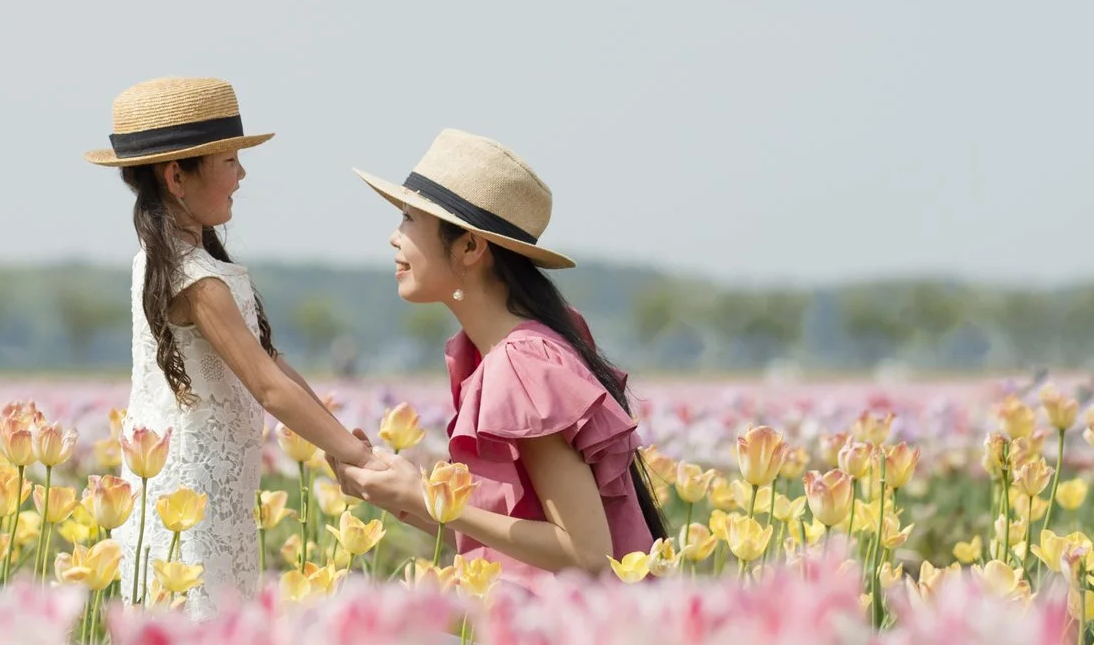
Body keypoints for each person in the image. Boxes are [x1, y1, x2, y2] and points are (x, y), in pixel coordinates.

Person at [88, 76, 370, 607]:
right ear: (177, 176)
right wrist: (355, 452)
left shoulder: (177, 261)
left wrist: (337, 444)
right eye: (229, 161)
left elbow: (273, 364)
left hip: (212, 490)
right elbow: (267, 387)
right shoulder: (194, 279)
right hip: (191, 497)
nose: (242, 174)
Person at [340, 129, 666, 576]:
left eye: (409, 219)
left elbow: (586, 553)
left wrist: (424, 496)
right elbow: (515, 534)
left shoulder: (522, 363)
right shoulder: (491, 353)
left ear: (471, 246)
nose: (394, 238)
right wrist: (393, 494)